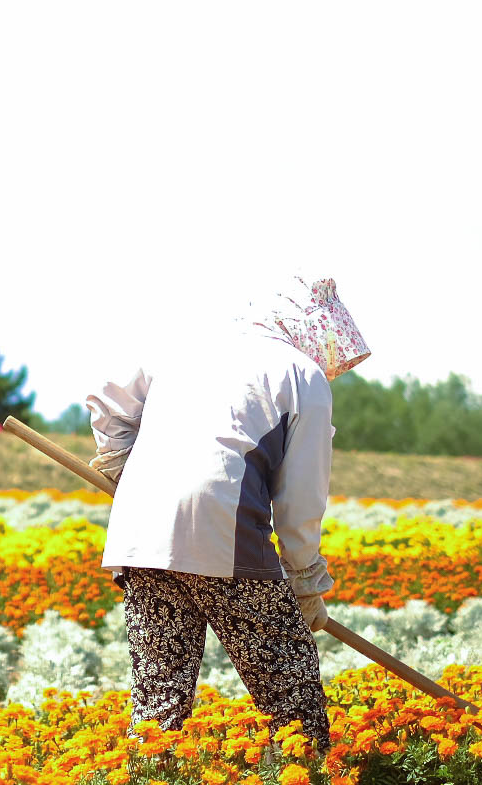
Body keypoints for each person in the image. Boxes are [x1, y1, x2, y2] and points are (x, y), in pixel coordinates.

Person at [87, 276, 370, 753]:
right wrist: (305, 580)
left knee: (159, 698)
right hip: (222, 528)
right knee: (289, 683)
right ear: (314, 332)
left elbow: (109, 401)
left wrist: (125, 471)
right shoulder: (301, 375)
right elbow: (300, 503)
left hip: (139, 530)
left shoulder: (190, 346)